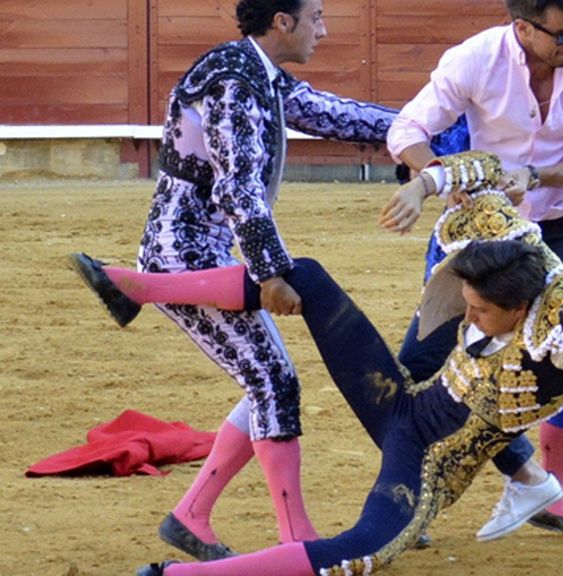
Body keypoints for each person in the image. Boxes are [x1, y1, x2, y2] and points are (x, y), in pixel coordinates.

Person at [73, 153, 563, 576]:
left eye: (479, 311)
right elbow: (483, 169)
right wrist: (422, 184)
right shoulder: (517, 246)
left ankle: (182, 574)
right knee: (302, 276)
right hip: (396, 399)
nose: (468, 317)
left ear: (521, 308)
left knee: (358, 553)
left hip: (424, 466)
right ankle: (137, 287)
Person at [70, 0, 400, 562]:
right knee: (274, 381)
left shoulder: (258, 75)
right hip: (186, 252)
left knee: (266, 379)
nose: (324, 29)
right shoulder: (233, 80)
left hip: (209, 249)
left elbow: (335, 115)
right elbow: (238, 189)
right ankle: (297, 540)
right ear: (282, 22)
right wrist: (269, 271)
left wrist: (425, 128)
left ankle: (190, 516)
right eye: (316, 17)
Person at [380, 1, 563, 569]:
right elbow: (407, 130)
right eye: (561, 34)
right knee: (422, 366)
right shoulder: (477, 57)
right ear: (523, 28)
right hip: (489, 234)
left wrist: (538, 176)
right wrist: (442, 179)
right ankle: (430, 498)